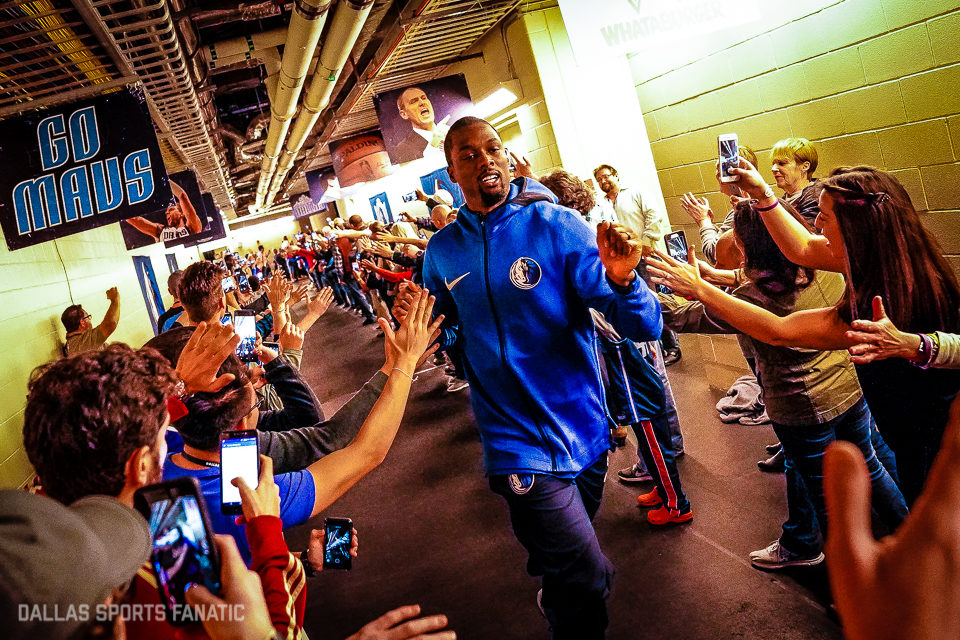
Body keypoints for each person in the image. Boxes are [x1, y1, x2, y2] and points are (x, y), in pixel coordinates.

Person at [396, 116, 662, 639]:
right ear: (451, 173)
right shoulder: (442, 251)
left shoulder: (557, 225)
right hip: (513, 440)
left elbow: (641, 323)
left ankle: (559, 588)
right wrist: (423, 326)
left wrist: (626, 280)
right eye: (468, 155)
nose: (484, 160)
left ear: (507, 157)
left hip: (584, 428)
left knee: (564, 564)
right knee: (588, 571)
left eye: (492, 148)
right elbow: (445, 331)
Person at [646, 160, 960, 507]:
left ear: (856, 229)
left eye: (825, 217)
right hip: (904, 423)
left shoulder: (883, 301)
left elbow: (780, 331)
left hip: (931, 434)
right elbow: (801, 249)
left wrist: (702, 289)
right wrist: (761, 194)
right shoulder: (878, 255)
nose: (817, 224)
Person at [652, 199, 907, 569]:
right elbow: (770, 271)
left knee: (827, 502)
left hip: (804, 409)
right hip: (849, 389)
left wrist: (632, 284)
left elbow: (680, 317)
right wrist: (714, 279)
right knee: (871, 465)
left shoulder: (750, 299)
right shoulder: (825, 266)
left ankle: (851, 582)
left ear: (747, 246)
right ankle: (910, 541)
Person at [594, 163, 681, 365]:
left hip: (644, 255)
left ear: (616, 176)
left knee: (654, 299)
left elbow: (654, 215)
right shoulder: (603, 204)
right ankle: (653, 350)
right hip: (623, 262)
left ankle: (672, 347)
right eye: (599, 179)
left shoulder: (635, 193)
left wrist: (647, 242)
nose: (603, 181)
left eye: (606, 176)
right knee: (636, 303)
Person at [123, 179, 204, 242]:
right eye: (170, 210)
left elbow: (183, 197)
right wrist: (162, 178)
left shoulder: (194, 228)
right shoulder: (160, 230)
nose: (166, 213)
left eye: (170, 210)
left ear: (182, 214)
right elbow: (182, 196)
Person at [392, 86, 451, 164]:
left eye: (424, 98)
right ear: (404, 114)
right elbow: (418, 171)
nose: (422, 103)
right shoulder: (403, 148)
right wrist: (434, 142)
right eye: (413, 101)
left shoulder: (452, 132)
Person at [61, 286, 120, 356]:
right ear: (82, 322)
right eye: (88, 317)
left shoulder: (75, 343)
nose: (89, 320)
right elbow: (110, 324)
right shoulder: (82, 343)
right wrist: (115, 300)